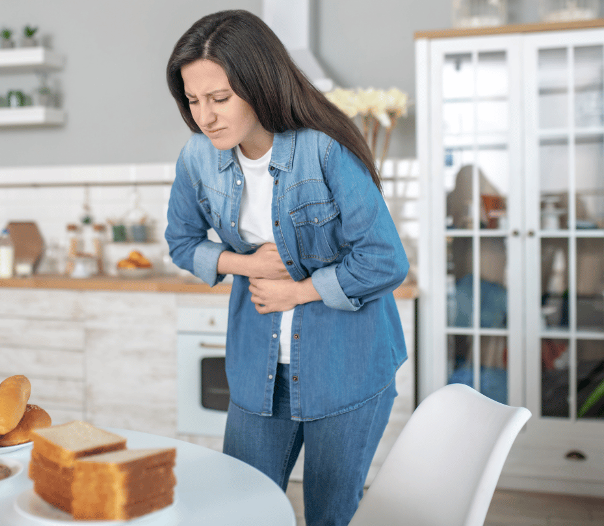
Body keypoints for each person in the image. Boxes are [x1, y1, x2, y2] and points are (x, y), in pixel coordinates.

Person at [164, 10, 409, 525]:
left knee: (329, 516)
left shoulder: (323, 150)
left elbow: (386, 260)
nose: (204, 116)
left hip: (348, 365)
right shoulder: (198, 159)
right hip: (258, 367)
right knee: (238, 511)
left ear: (258, 85)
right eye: (193, 101)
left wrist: (295, 292)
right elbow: (182, 242)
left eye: (220, 99)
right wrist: (243, 262)